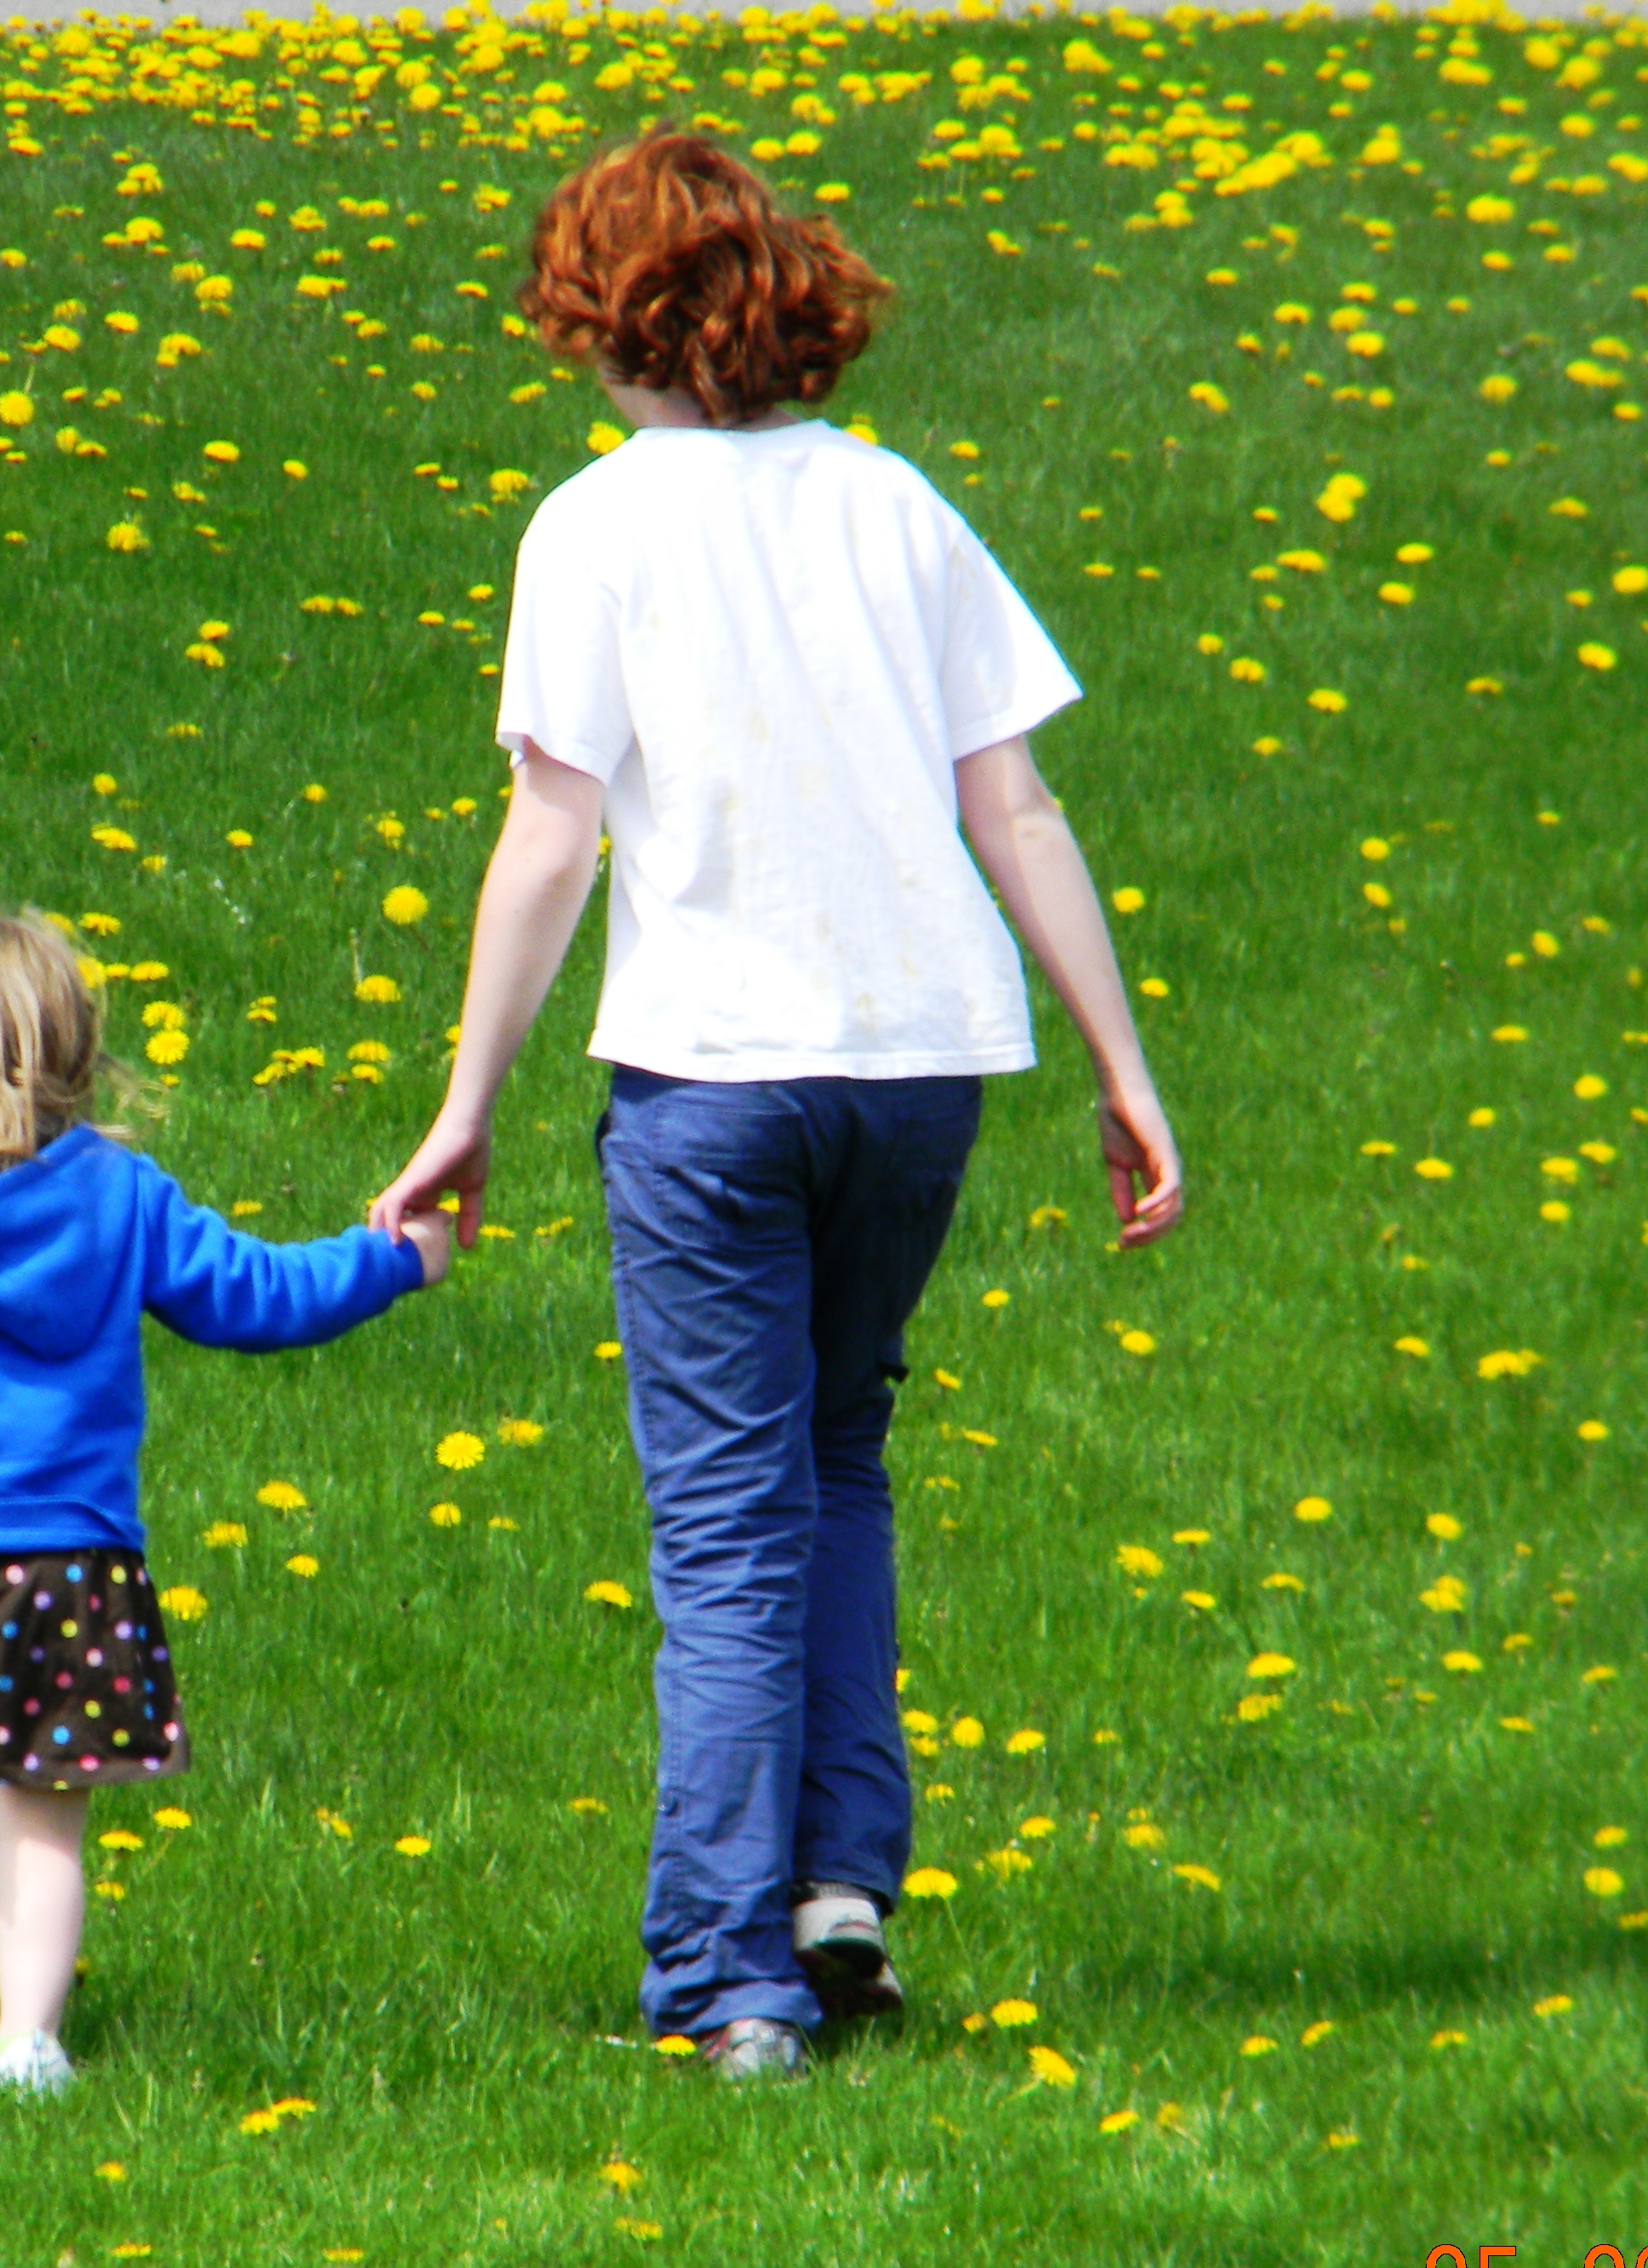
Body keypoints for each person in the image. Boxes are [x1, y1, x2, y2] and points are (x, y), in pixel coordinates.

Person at [368, 134, 1186, 2085]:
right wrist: (1123, 1068)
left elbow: (553, 835)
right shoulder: (895, 509)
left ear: (598, 317)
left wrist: (465, 1099)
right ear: (788, 299)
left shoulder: (598, 526)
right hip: (918, 1076)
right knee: (837, 1459)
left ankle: (723, 1973)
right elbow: (1020, 808)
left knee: (730, 1521)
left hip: (713, 1082)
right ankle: (840, 1899)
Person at [0, 906, 455, 2095]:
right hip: (68, 1567)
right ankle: (25, 2037)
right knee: (41, 1803)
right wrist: (392, 1257)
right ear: (68, 1050)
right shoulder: (120, 1197)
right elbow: (255, 1293)